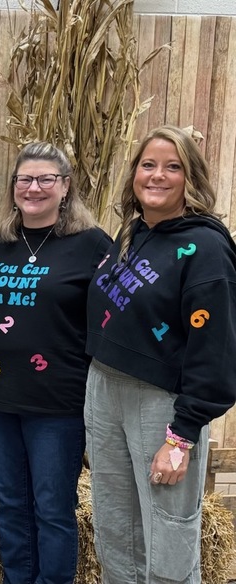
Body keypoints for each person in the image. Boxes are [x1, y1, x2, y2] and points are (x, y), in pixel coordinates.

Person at [85, 126, 236, 583]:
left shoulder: (207, 247)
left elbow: (217, 351)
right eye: (148, 165)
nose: (157, 176)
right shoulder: (134, 233)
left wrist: (182, 436)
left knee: (167, 533)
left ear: (191, 178)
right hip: (105, 388)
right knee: (114, 526)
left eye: (173, 167)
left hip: (160, 402)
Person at [0, 142, 110, 584]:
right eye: (25, 179)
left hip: (58, 404)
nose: (33, 188)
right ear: (13, 186)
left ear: (65, 187)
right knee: (12, 504)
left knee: (53, 508)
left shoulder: (92, 244)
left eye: (45, 180)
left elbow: (115, 315)